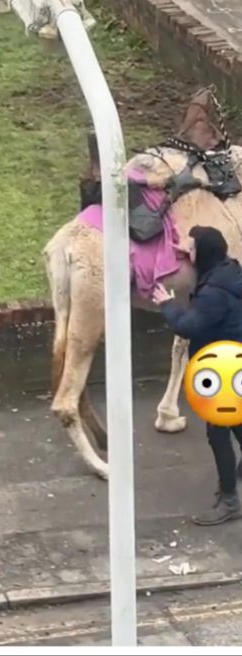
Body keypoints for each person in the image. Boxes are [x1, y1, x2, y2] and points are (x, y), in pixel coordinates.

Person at [153, 225, 242, 525]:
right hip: (235, 365)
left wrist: (167, 304)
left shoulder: (213, 294)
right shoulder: (230, 273)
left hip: (223, 370)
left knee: (218, 433)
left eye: (191, 249)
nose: (187, 254)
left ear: (203, 254)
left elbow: (189, 326)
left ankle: (229, 500)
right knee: (237, 425)